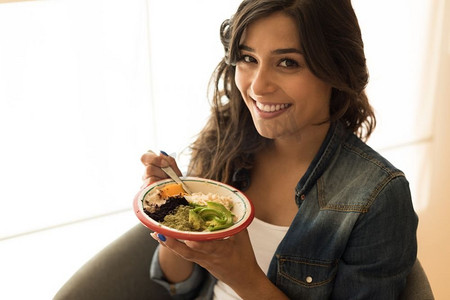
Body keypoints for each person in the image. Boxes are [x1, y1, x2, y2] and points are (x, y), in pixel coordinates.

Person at [139, 0, 418, 299]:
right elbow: (178, 284)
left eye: (287, 63)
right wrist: (173, 209)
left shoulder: (378, 196)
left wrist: (243, 276)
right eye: (248, 58)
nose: (258, 87)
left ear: (336, 68)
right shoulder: (227, 136)